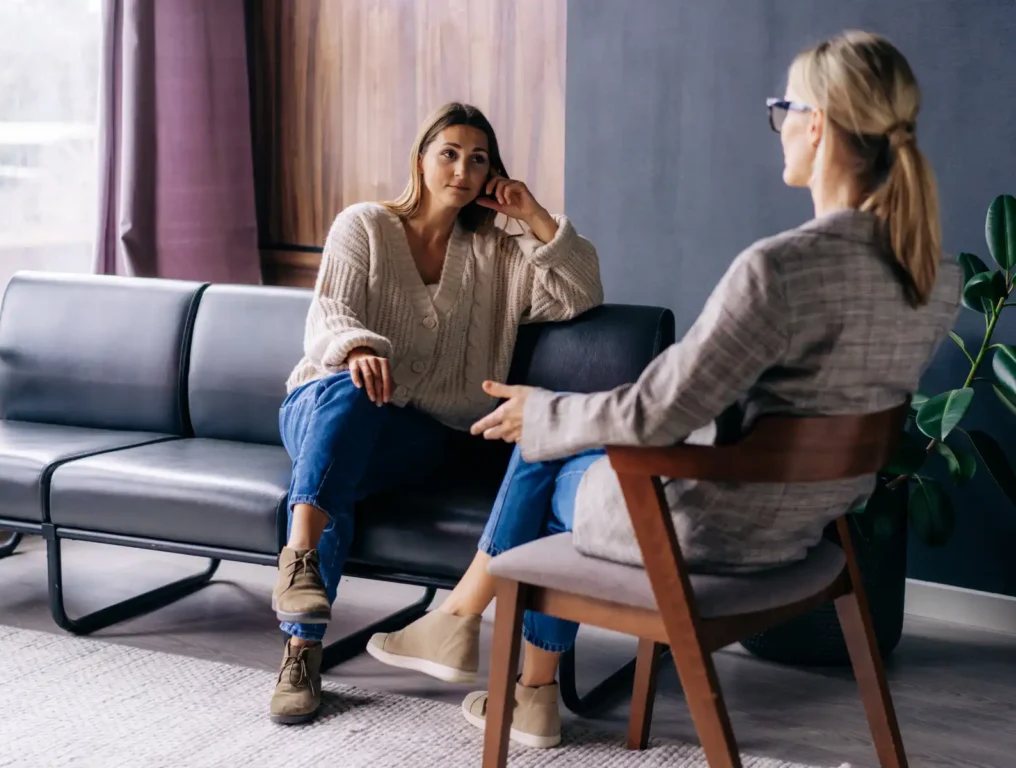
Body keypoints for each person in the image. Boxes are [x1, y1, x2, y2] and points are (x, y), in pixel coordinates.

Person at [368, 31, 962, 748]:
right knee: (560, 430)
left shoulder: (781, 269)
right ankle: (514, 679)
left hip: (709, 530)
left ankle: (477, 641)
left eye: (783, 109)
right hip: (808, 528)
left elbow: (658, 411)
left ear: (817, 124)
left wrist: (545, 411)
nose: (780, 128)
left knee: (546, 447)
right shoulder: (935, 276)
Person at [269, 102, 603, 724]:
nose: (462, 168)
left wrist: (533, 216)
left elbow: (580, 296)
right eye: (448, 152)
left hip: (426, 435)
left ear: (491, 175)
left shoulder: (500, 254)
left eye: (478, 159)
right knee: (352, 399)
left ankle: (301, 630)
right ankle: (302, 601)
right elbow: (328, 315)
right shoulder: (364, 225)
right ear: (421, 160)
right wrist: (360, 347)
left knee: (346, 457)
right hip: (323, 403)